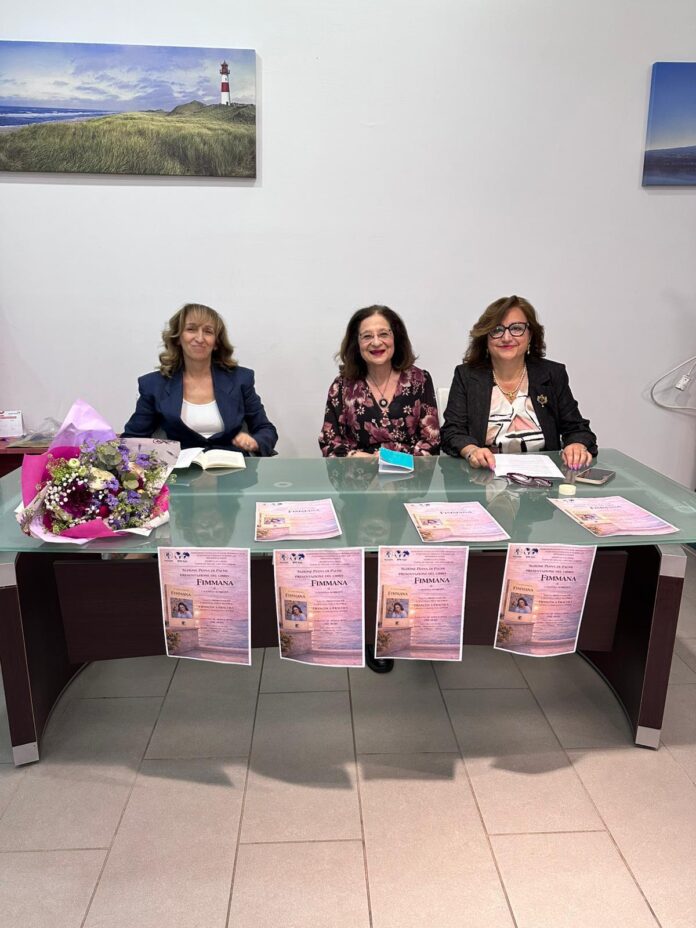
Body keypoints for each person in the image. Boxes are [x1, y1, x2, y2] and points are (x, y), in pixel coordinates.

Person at [441, 295, 596, 469]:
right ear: (486, 337)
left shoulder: (552, 374)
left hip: (544, 478)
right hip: (485, 476)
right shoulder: (467, 376)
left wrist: (576, 445)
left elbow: (577, 429)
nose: (506, 337)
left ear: (530, 335)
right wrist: (472, 451)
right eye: (497, 330)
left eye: (516, 328)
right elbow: (452, 432)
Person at [123, 303, 278, 455]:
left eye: (208, 332)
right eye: (191, 329)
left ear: (216, 342)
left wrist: (256, 442)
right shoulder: (154, 385)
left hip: (233, 466)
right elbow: (133, 439)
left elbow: (266, 429)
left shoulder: (241, 379)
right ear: (178, 338)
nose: (200, 338)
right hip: (180, 468)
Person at [319, 305, 440, 457]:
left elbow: (431, 442)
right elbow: (329, 443)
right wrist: (355, 456)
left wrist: (389, 459)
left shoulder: (420, 380)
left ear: (395, 337)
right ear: (357, 343)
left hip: (407, 470)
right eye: (367, 336)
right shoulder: (342, 386)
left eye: (383, 334)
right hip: (358, 469)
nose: (376, 343)